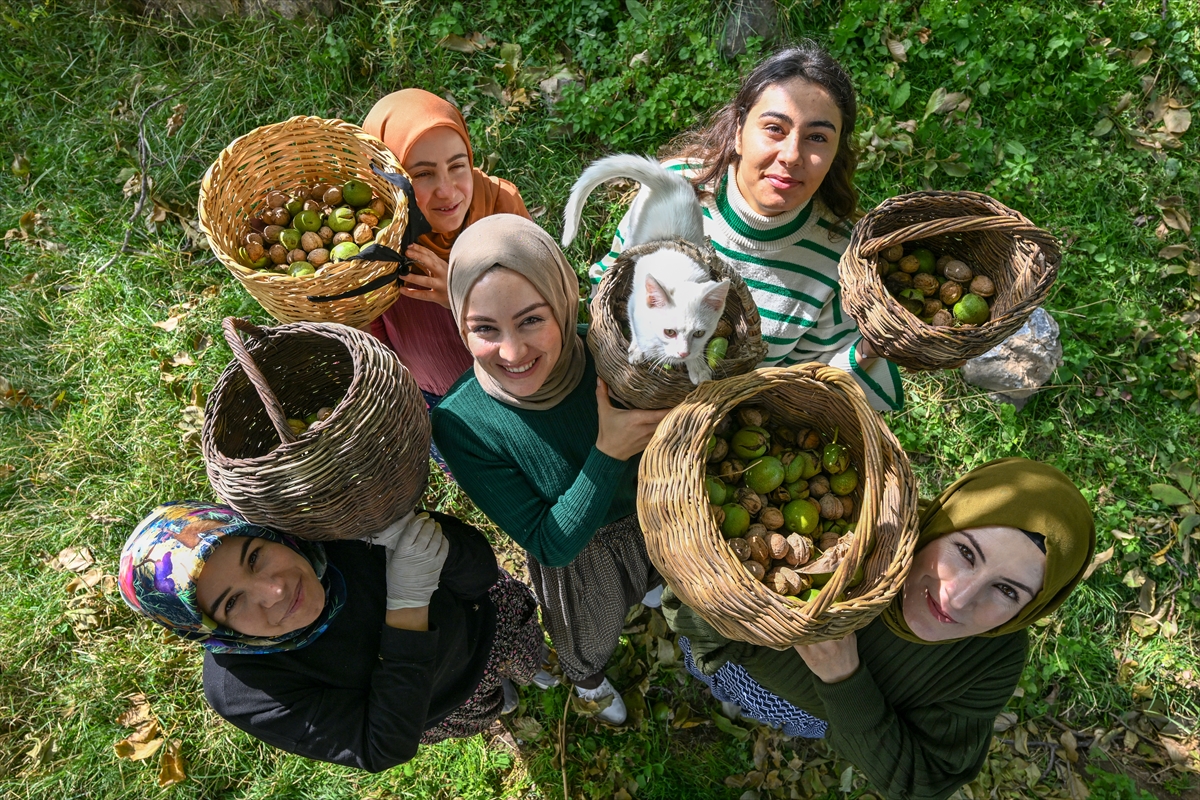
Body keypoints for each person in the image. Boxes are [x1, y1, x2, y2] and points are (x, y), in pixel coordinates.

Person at [663, 458, 1096, 800]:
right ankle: (723, 694)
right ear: (940, 525)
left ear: (1032, 608)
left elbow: (923, 783)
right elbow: (688, 614)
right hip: (731, 661)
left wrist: (843, 680)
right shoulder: (868, 532)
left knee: (773, 713)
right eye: (965, 552)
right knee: (718, 683)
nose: (956, 599)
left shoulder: (993, 659)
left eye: (1006, 590)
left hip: (808, 715)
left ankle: (754, 710)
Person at [430, 214, 669, 725]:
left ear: (564, 303)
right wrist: (608, 451)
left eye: (532, 320)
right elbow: (549, 542)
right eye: (484, 330)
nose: (513, 353)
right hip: (584, 560)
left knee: (654, 577)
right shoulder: (461, 423)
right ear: (459, 324)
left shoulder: (611, 353)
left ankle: (648, 587)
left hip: (653, 520)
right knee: (591, 633)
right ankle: (587, 681)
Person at [589, 44, 903, 412]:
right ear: (739, 130)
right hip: (632, 393)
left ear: (836, 153)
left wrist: (874, 345)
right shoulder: (675, 188)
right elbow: (610, 281)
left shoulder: (838, 256)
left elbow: (813, 378)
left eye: (817, 137)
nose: (791, 156)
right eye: (774, 128)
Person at [118, 502, 546, 772]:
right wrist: (408, 605)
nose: (275, 590)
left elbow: (480, 575)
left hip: (487, 626)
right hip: (438, 702)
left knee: (532, 658)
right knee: (489, 704)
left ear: (265, 534)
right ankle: (496, 702)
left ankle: (530, 671)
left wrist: (403, 527)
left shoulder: (326, 527)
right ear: (211, 630)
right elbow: (380, 745)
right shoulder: (243, 688)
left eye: (255, 556)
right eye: (232, 604)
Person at [362, 89, 532, 447]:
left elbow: (545, 296)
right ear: (387, 179)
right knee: (479, 459)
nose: (446, 190)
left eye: (457, 166)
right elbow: (371, 324)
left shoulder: (501, 207)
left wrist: (455, 296)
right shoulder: (381, 235)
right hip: (438, 391)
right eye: (421, 174)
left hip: (520, 372)